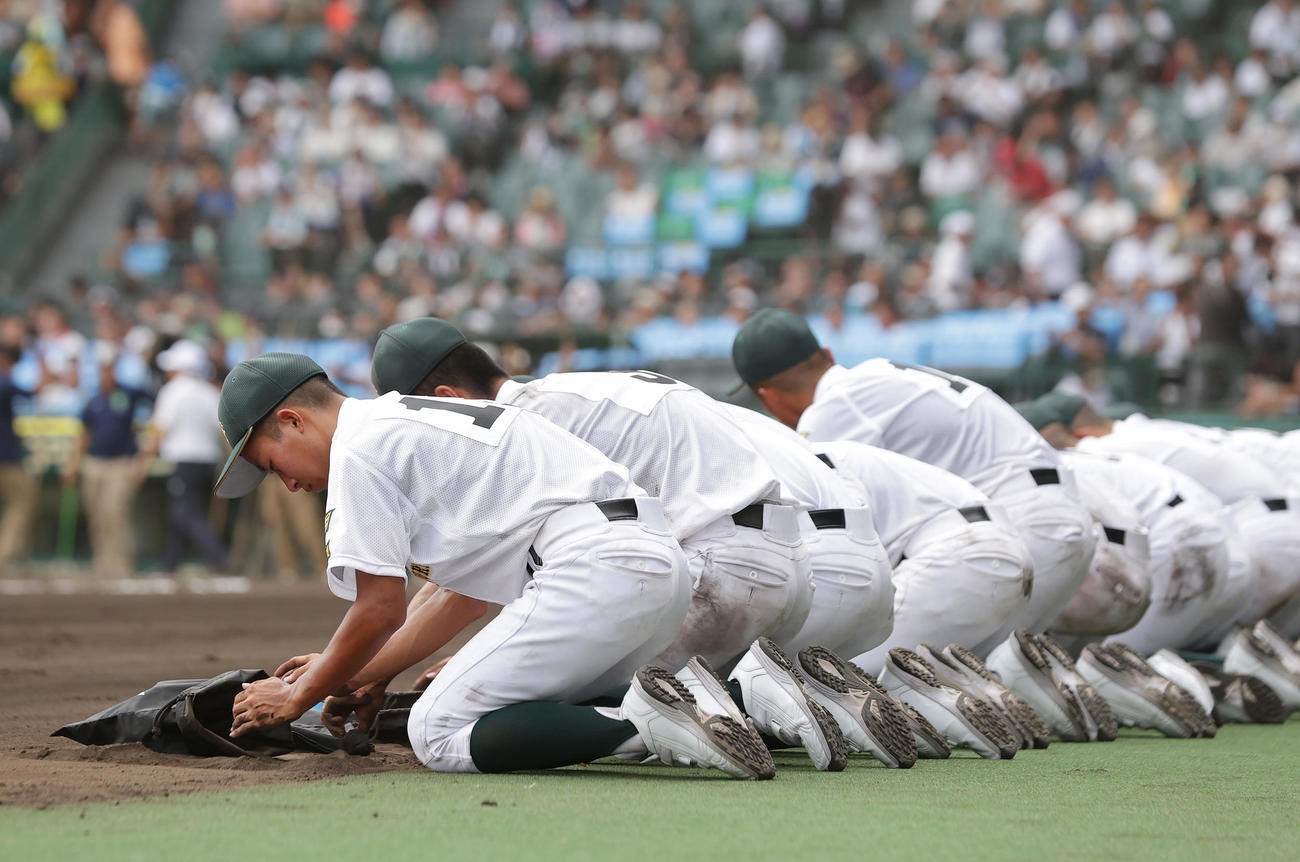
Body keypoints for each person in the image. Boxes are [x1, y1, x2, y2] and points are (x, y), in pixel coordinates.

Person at [368, 317, 906, 770]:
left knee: (555, 705)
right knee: (603, 698)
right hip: (783, 563)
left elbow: (461, 597)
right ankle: (816, 699)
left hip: (720, 569)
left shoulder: (523, 425)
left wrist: (367, 672)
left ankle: (755, 700)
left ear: (446, 399)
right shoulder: (576, 391)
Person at [218, 353, 775, 779]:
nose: (287, 483)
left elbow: (379, 609)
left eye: (271, 464)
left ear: (292, 421)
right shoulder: (399, 420)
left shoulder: (359, 450)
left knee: (435, 730)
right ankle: (737, 703)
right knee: (547, 708)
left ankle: (654, 727)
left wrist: (301, 693)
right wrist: (357, 672)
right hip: (652, 558)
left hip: (593, 565)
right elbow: (464, 598)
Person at [730, 309, 1097, 648]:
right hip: (1057, 518)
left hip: (1021, 523)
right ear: (826, 353)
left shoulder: (832, 409)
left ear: (768, 397)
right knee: (995, 672)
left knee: (869, 669)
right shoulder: (876, 373)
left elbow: (833, 527)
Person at [136, 341, 228, 574]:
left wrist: (142, 461)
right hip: (207, 460)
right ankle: (171, 562)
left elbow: (160, 429)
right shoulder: (209, 391)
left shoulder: (173, 391)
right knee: (184, 510)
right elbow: (223, 430)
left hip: (183, 460)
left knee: (185, 512)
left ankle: (217, 556)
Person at [63, 347, 152, 578]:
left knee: (115, 512)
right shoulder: (93, 402)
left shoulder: (128, 394)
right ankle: (102, 563)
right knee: (97, 516)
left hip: (120, 464)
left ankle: (121, 564)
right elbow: (84, 436)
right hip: (94, 464)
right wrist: (73, 464)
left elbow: (152, 396)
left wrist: (141, 461)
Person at [0, 346, 36, 569]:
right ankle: (7, 554)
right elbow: (33, 392)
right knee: (23, 501)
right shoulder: (4, 382)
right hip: (5, 459)